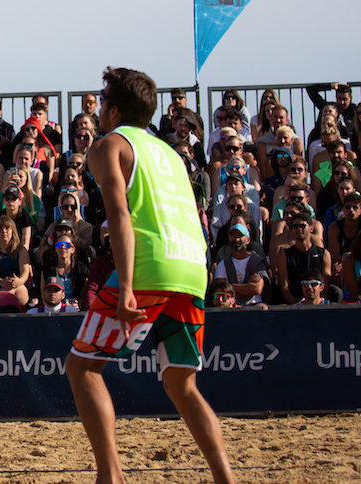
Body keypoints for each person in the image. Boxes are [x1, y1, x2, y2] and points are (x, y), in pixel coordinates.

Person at [66, 67, 235, 484]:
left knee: (82, 369)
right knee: (182, 384)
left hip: (150, 265)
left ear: (114, 109)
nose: (98, 107)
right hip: (192, 266)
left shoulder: (109, 146)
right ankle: (226, 479)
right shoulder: (171, 154)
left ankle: (111, 478)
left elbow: (120, 215)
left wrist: (124, 287)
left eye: (103, 101)